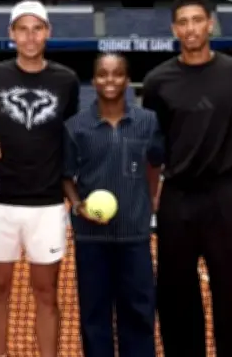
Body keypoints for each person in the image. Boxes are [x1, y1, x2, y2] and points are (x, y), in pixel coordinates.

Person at [141, 0, 232, 357]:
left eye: (198, 20)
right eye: (183, 22)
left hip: (224, 195)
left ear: (210, 23)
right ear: (174, 29)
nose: (191, 28)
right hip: (176, 198)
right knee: (176, 292)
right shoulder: (157, 81)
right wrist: (152, 200)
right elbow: (154, 150)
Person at [0, 0, 80, 357]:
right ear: (11, 34)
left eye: (37, 28)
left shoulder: (66, 81)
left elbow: (69, 133)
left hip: (48, 204)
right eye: (22, 28)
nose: (30, 36)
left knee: (47, 293)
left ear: (48, 32)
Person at [62, 53, 162, 357]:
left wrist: (151, 203)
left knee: (140, 314)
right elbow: (66, 175)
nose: (109, 80)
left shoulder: (148, 122)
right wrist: (78, 205)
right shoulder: (75, 126)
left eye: (117, 74)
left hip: (134, 236)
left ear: (127, 80)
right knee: (95, 317)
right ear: (93, 81)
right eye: (103, 74)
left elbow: (154, 165)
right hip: (91, 239)